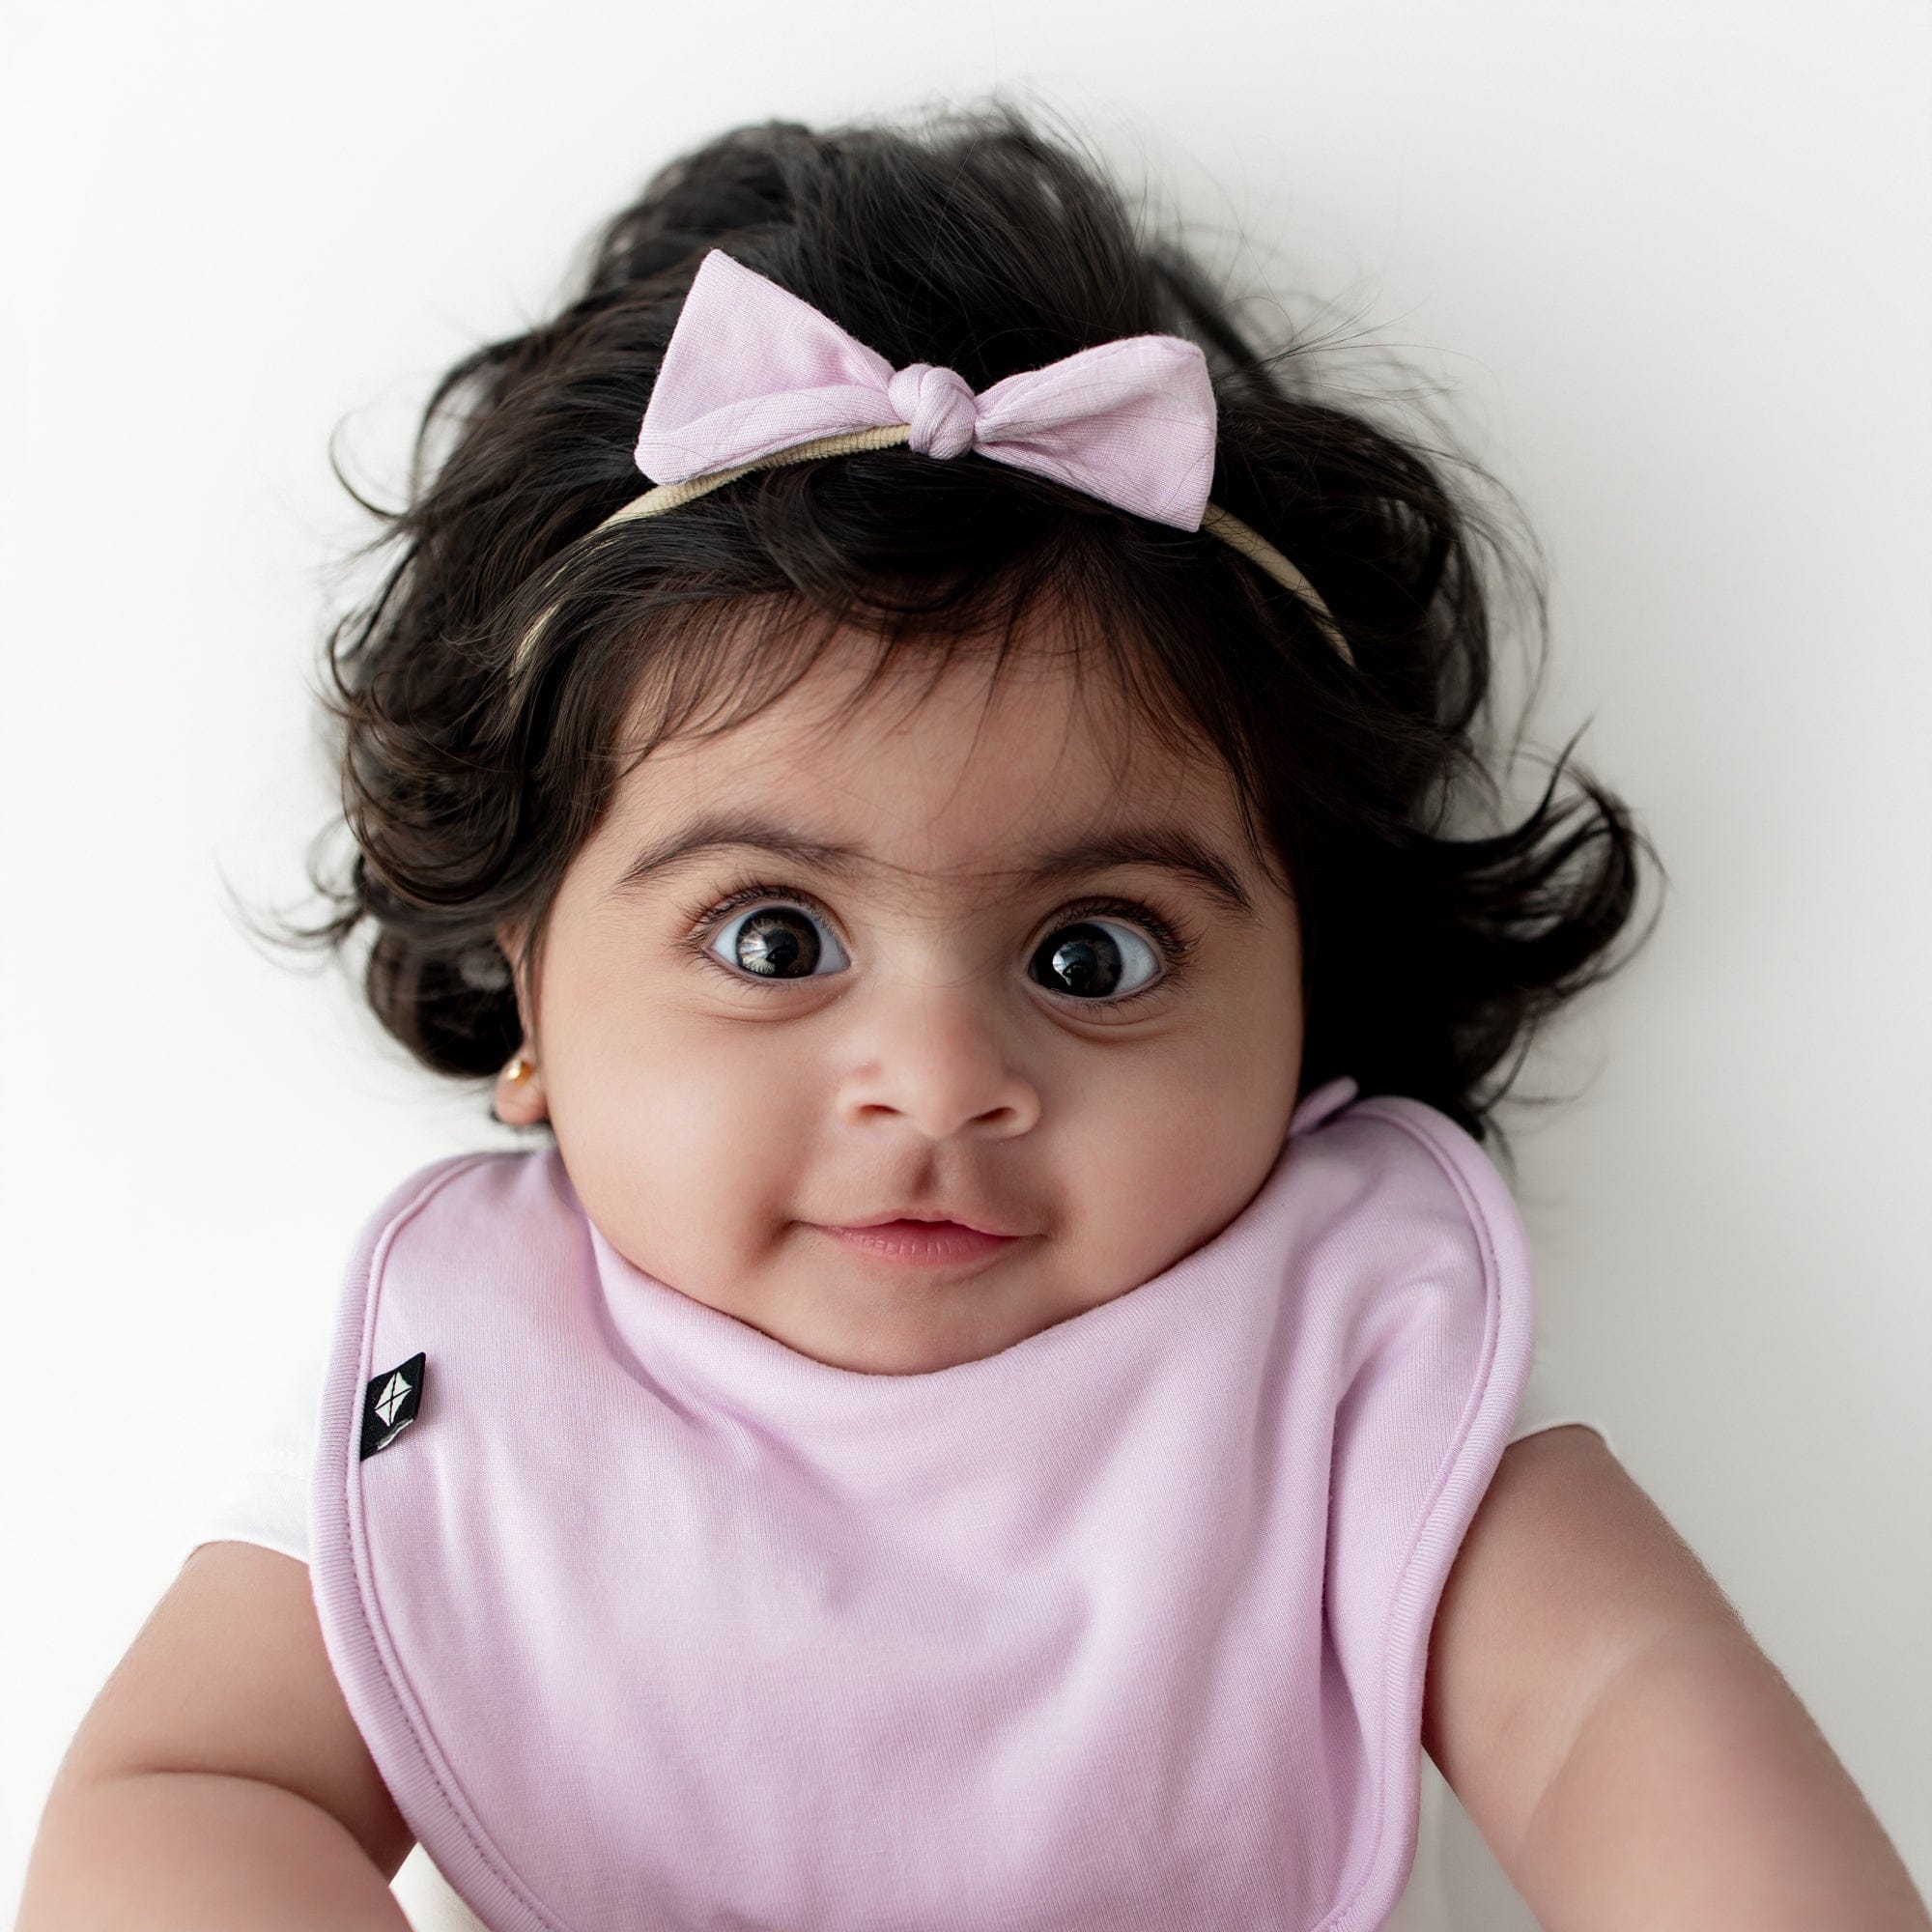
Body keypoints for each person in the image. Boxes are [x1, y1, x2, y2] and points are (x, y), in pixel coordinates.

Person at [16, 104, 1925, 1932]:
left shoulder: (1341, 1366)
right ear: (526, 987)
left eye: (1093, 954)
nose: (937, 1081)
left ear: (1305, 989)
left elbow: (1615, 1719)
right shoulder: (473, 1383)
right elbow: (189, 1799)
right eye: (773, 937)